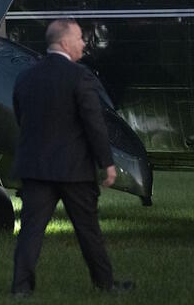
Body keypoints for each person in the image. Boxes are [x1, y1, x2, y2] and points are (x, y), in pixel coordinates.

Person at [10, 19, 133, 296]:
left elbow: (21, 116)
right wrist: (107, 163)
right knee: (88, 230)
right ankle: (104, 283)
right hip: (74, 169)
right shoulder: (80, 77)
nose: (83, 43)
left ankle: (21, 288)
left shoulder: (26, 76)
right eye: (79, 38)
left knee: (31, 231)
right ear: (65, 43)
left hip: (35, 166)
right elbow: (94, 123)